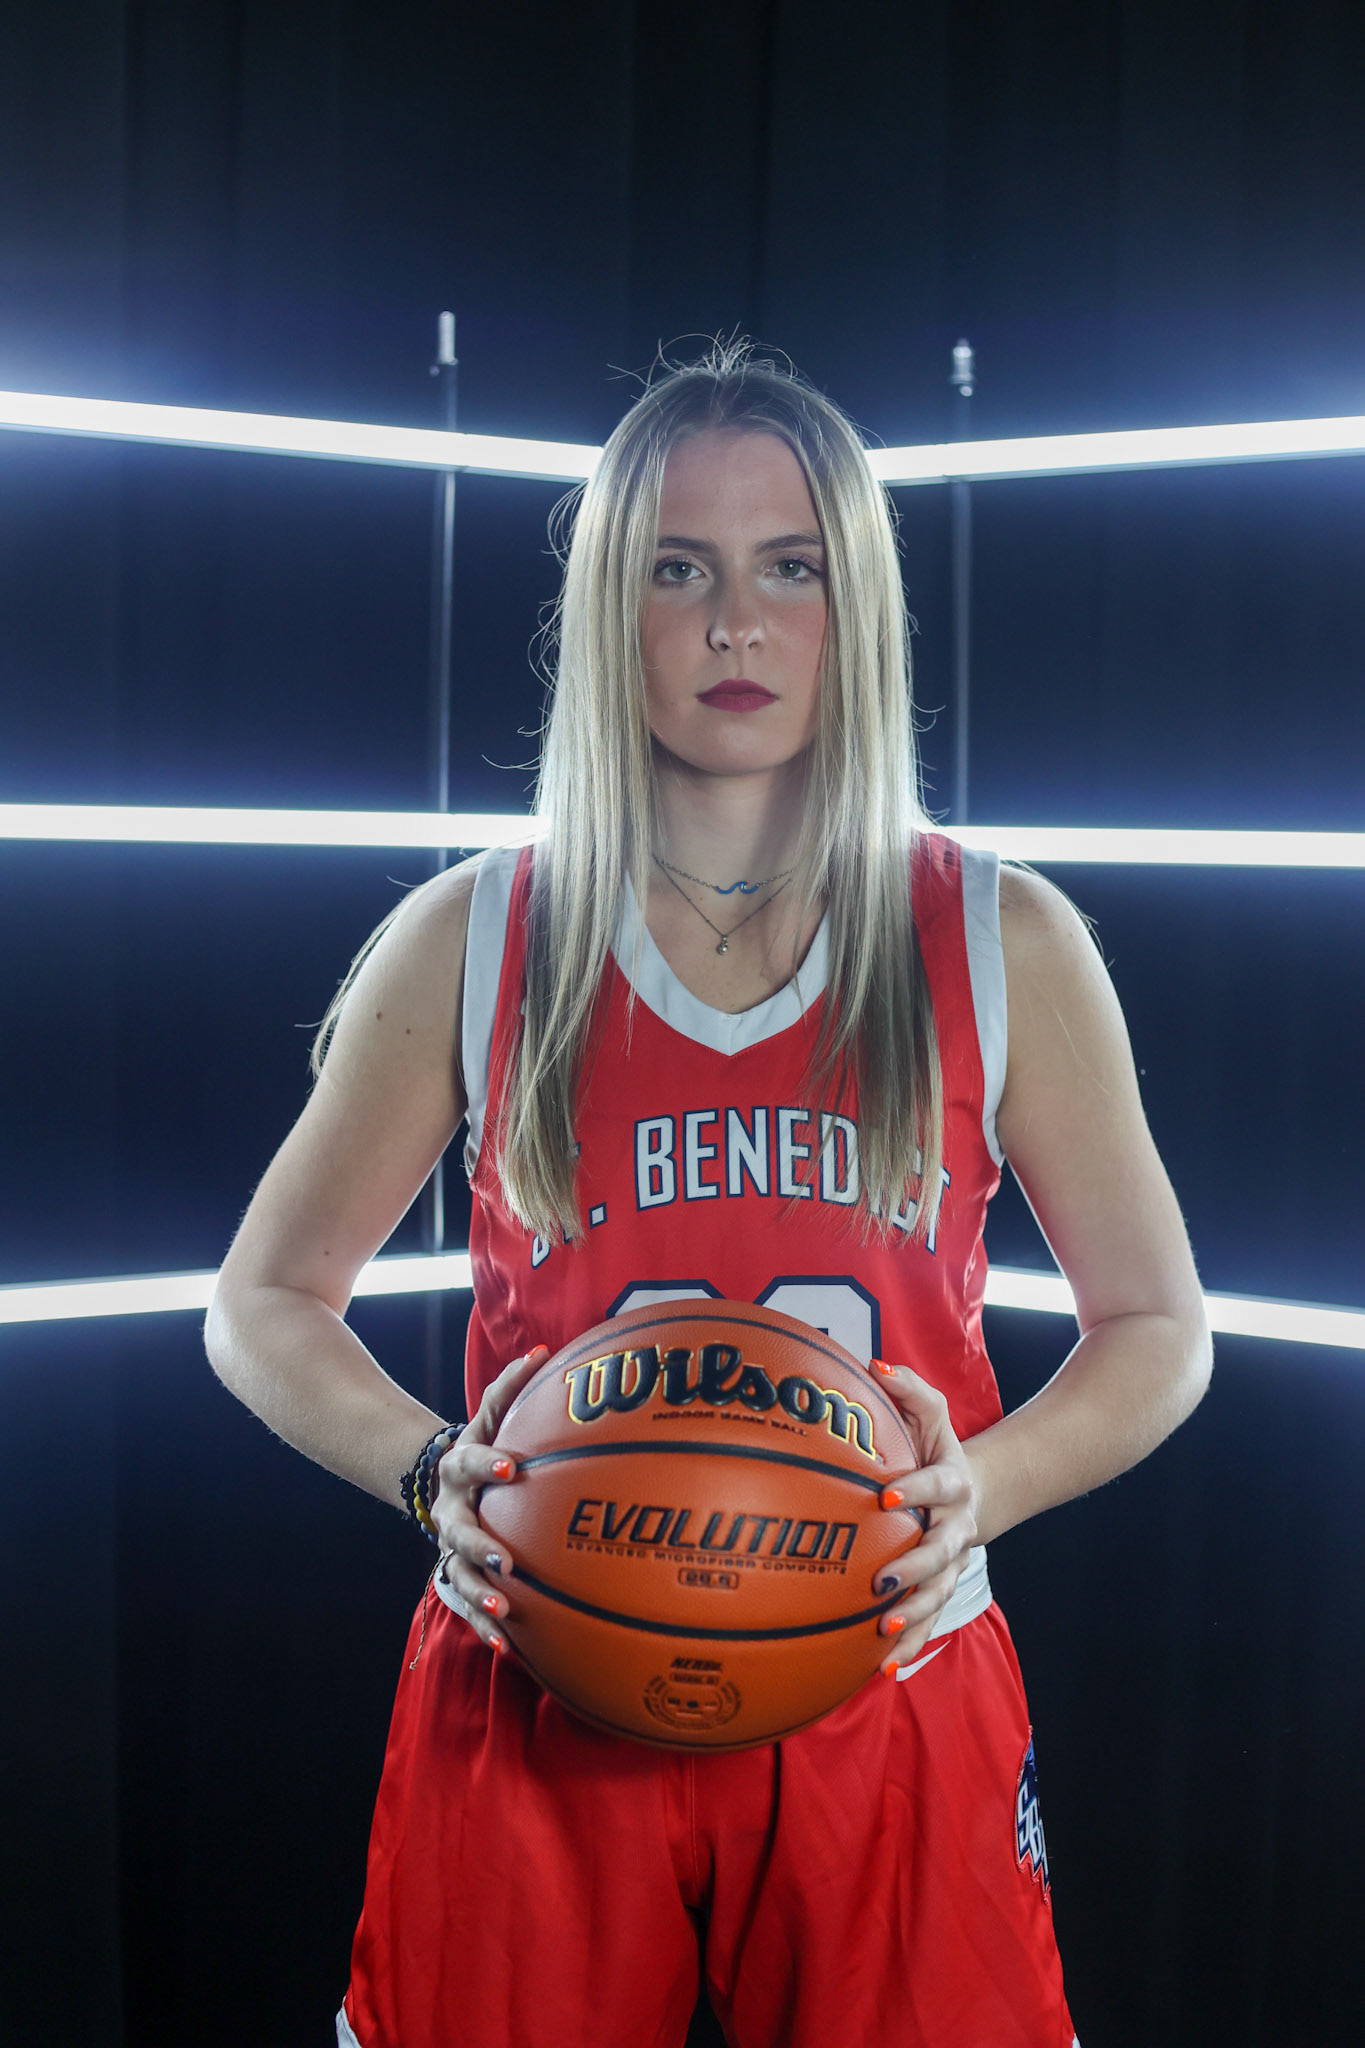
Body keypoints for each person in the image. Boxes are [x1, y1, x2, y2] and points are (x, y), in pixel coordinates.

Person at [206, 340, 1211, 2048]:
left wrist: (984, 1489)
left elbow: (1157, 1327)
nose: (733, 622)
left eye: (787, 567)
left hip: (884, 1664)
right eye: (679, 568)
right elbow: (260, 1302)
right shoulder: (478, 935)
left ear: (855, 605)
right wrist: (431, 1470)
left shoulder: (995, 937)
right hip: (539, 1667)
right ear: (613, 607)